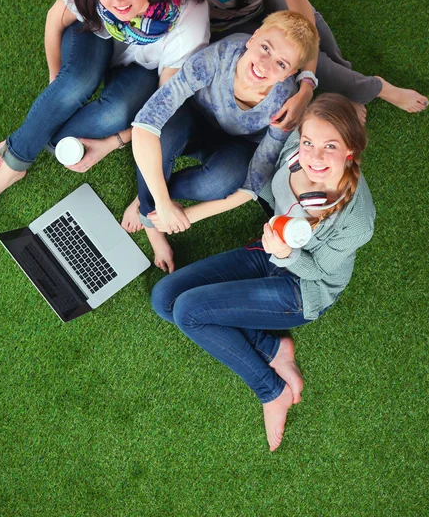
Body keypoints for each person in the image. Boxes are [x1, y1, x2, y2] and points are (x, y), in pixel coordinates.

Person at [150, 93, 376, 452]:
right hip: (270, 251)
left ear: (350, 151)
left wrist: (286, 254)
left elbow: (318, 270)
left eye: (330, 146)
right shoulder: (292, 151)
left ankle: (271, 391)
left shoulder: (357, 222)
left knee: (188, 312)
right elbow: (256, 184)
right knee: (164, 298)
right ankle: (273, 346)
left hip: (303, 288)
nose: (314, 157)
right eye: (309, 142)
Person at [0, 0, 209, 213]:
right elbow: (55, 19)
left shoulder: (188, 22)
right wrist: (56, 88)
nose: (116, 0)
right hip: (93, 35)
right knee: (75, 83)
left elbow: (160, 108)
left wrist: (110, 143)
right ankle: (11, 168)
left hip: (144, 68)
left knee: (97, 123)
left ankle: (26, 137)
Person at [175, 0, 429, 125]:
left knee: (307, 32)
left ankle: (356, 83)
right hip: (230, 27)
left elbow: (305, 19)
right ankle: (372, 86)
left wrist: (306, 86)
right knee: (296, 56)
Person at [126, 10, 319, 273]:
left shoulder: (285, 102)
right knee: (161, 139)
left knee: (221, 180)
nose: (265, 64)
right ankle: (150, 220)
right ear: (253, 38)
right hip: (194, 117)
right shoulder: (219, 56)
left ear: (290, 74)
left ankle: (146, 195)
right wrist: (161, 204)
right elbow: (145, 124)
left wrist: (188, 215)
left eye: (281, 64)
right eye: (265, 47)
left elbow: (253, 184)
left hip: (237, 144)